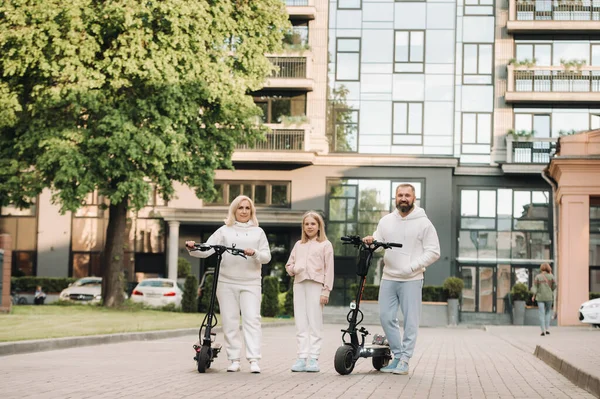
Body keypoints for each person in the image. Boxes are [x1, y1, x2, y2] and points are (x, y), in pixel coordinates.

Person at [185, 195, 271, 374]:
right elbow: (208, 249)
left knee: (252, 320)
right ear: (234, 210)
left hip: (251, 283)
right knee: (230, 321)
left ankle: (254, 359)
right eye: (241, 208)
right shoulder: (224, 230)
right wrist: (193, 247)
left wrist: (255, 253)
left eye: (248, 208)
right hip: (226, 282)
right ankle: (234, 360)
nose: (244, 211)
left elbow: (266, 257)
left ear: (252, 211)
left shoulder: (258, 232)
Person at [363, 183, 440, 375]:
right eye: (400, 195)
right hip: (389, 277)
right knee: (386, 317)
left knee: (411, 321)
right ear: (395, 198)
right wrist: (371, 242)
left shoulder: (424, 223)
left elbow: (434, 252)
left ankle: (405, 360)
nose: (403, 198)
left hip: (412, 278)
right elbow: (379, 244)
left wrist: (412, 266)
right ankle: (397, 356)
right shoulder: (386, 221)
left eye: (407, 195)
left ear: (414, 198)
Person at [285, 211, 334, 373]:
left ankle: (313, 357)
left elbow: (329, 270)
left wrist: (326, 291)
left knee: (315, 322)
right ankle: (301, 357)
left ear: (319, 226)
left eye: (313, 223)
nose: (310, 226)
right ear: (303, 227)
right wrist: (294, 269)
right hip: (299, 284)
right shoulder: (299, 245)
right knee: (301, 322)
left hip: (316, 286)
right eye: (307, 224)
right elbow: (288, 266)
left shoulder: (325, 245)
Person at [531, 263, 556, 336]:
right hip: (549, 297)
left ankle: (542, 331)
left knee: (541, 313)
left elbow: (535, 287)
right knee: (548, 312)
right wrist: (550, 290)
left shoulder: (538, 277)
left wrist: (533, 295)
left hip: (540, 297)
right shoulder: (551, 276)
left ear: (541, 268)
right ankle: (547, 329)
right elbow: (555, 285)